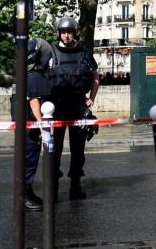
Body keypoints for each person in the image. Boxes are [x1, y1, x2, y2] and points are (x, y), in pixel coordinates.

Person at [48, 16, 100, 200]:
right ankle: (52, 189)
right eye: (63, 32)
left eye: (69, 32)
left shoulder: (83, 53)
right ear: (59, 33)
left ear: (74, 33)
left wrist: (91, 99)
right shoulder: (50, 52)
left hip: (78, 106)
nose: (67, 35)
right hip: (57, 108)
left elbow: (95, 77)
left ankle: (75, 187)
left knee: (78, 151)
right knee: (54, 150)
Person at [22, 36, 55, 210]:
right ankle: (25, 197)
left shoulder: (28, 73)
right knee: (29, 159)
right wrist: (43, 127)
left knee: (28, 159)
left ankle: (27, 193)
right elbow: (34, 100)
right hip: (31, 126)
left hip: (27, 124)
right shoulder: (34, 75)